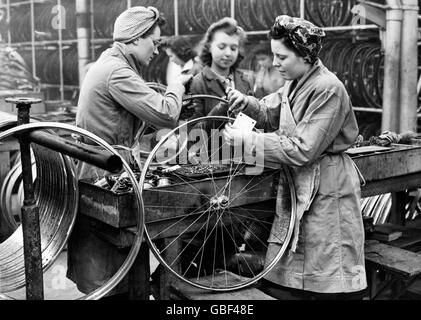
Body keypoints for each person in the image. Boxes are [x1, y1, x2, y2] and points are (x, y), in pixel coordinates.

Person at [223, 15, 367, 300]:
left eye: (281, 56)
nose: (275, 62)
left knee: (326, 272)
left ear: (304, 56)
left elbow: (303, 149)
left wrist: (249, 141)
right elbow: (272, 110)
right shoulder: (296, 82)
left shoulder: (328, 88)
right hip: (300, 183)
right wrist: (248, 104)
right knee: (297, 271)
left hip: (326, 188)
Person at [66, 6, 192, 298]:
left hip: (99, 169)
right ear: (135, 38)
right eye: (155, 43)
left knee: (116, 267)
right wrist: (176, 86)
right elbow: (166, 113)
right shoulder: (117, 72)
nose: (157, 51)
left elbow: (124, 122)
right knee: (111, 272)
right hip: (103, 173)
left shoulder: (111, 64)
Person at [188, 17, 254, 120]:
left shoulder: (246, 80)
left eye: (233, 48)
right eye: (222, 47)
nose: (228, 53)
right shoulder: (197, 84)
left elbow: (255, 120)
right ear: (209, 47)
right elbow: (192, 130)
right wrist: (220, 109)